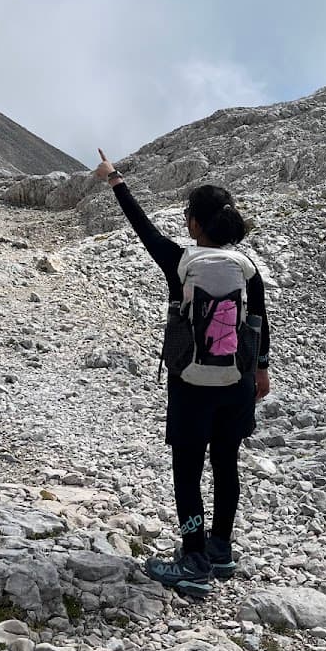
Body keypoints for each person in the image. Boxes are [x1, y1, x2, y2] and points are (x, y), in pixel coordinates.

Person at [94, 149, 270, 598]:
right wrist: (261, 372)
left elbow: (143, 228)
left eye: (189, 215)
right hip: (237, 381)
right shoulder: (247, 269)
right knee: (226, 463)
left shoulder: (180, 261)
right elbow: (260, 323)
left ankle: (192, 557)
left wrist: (116, 181)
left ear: (195, 223)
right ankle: (221, 550)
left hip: (190, 382)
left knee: (188, 469)